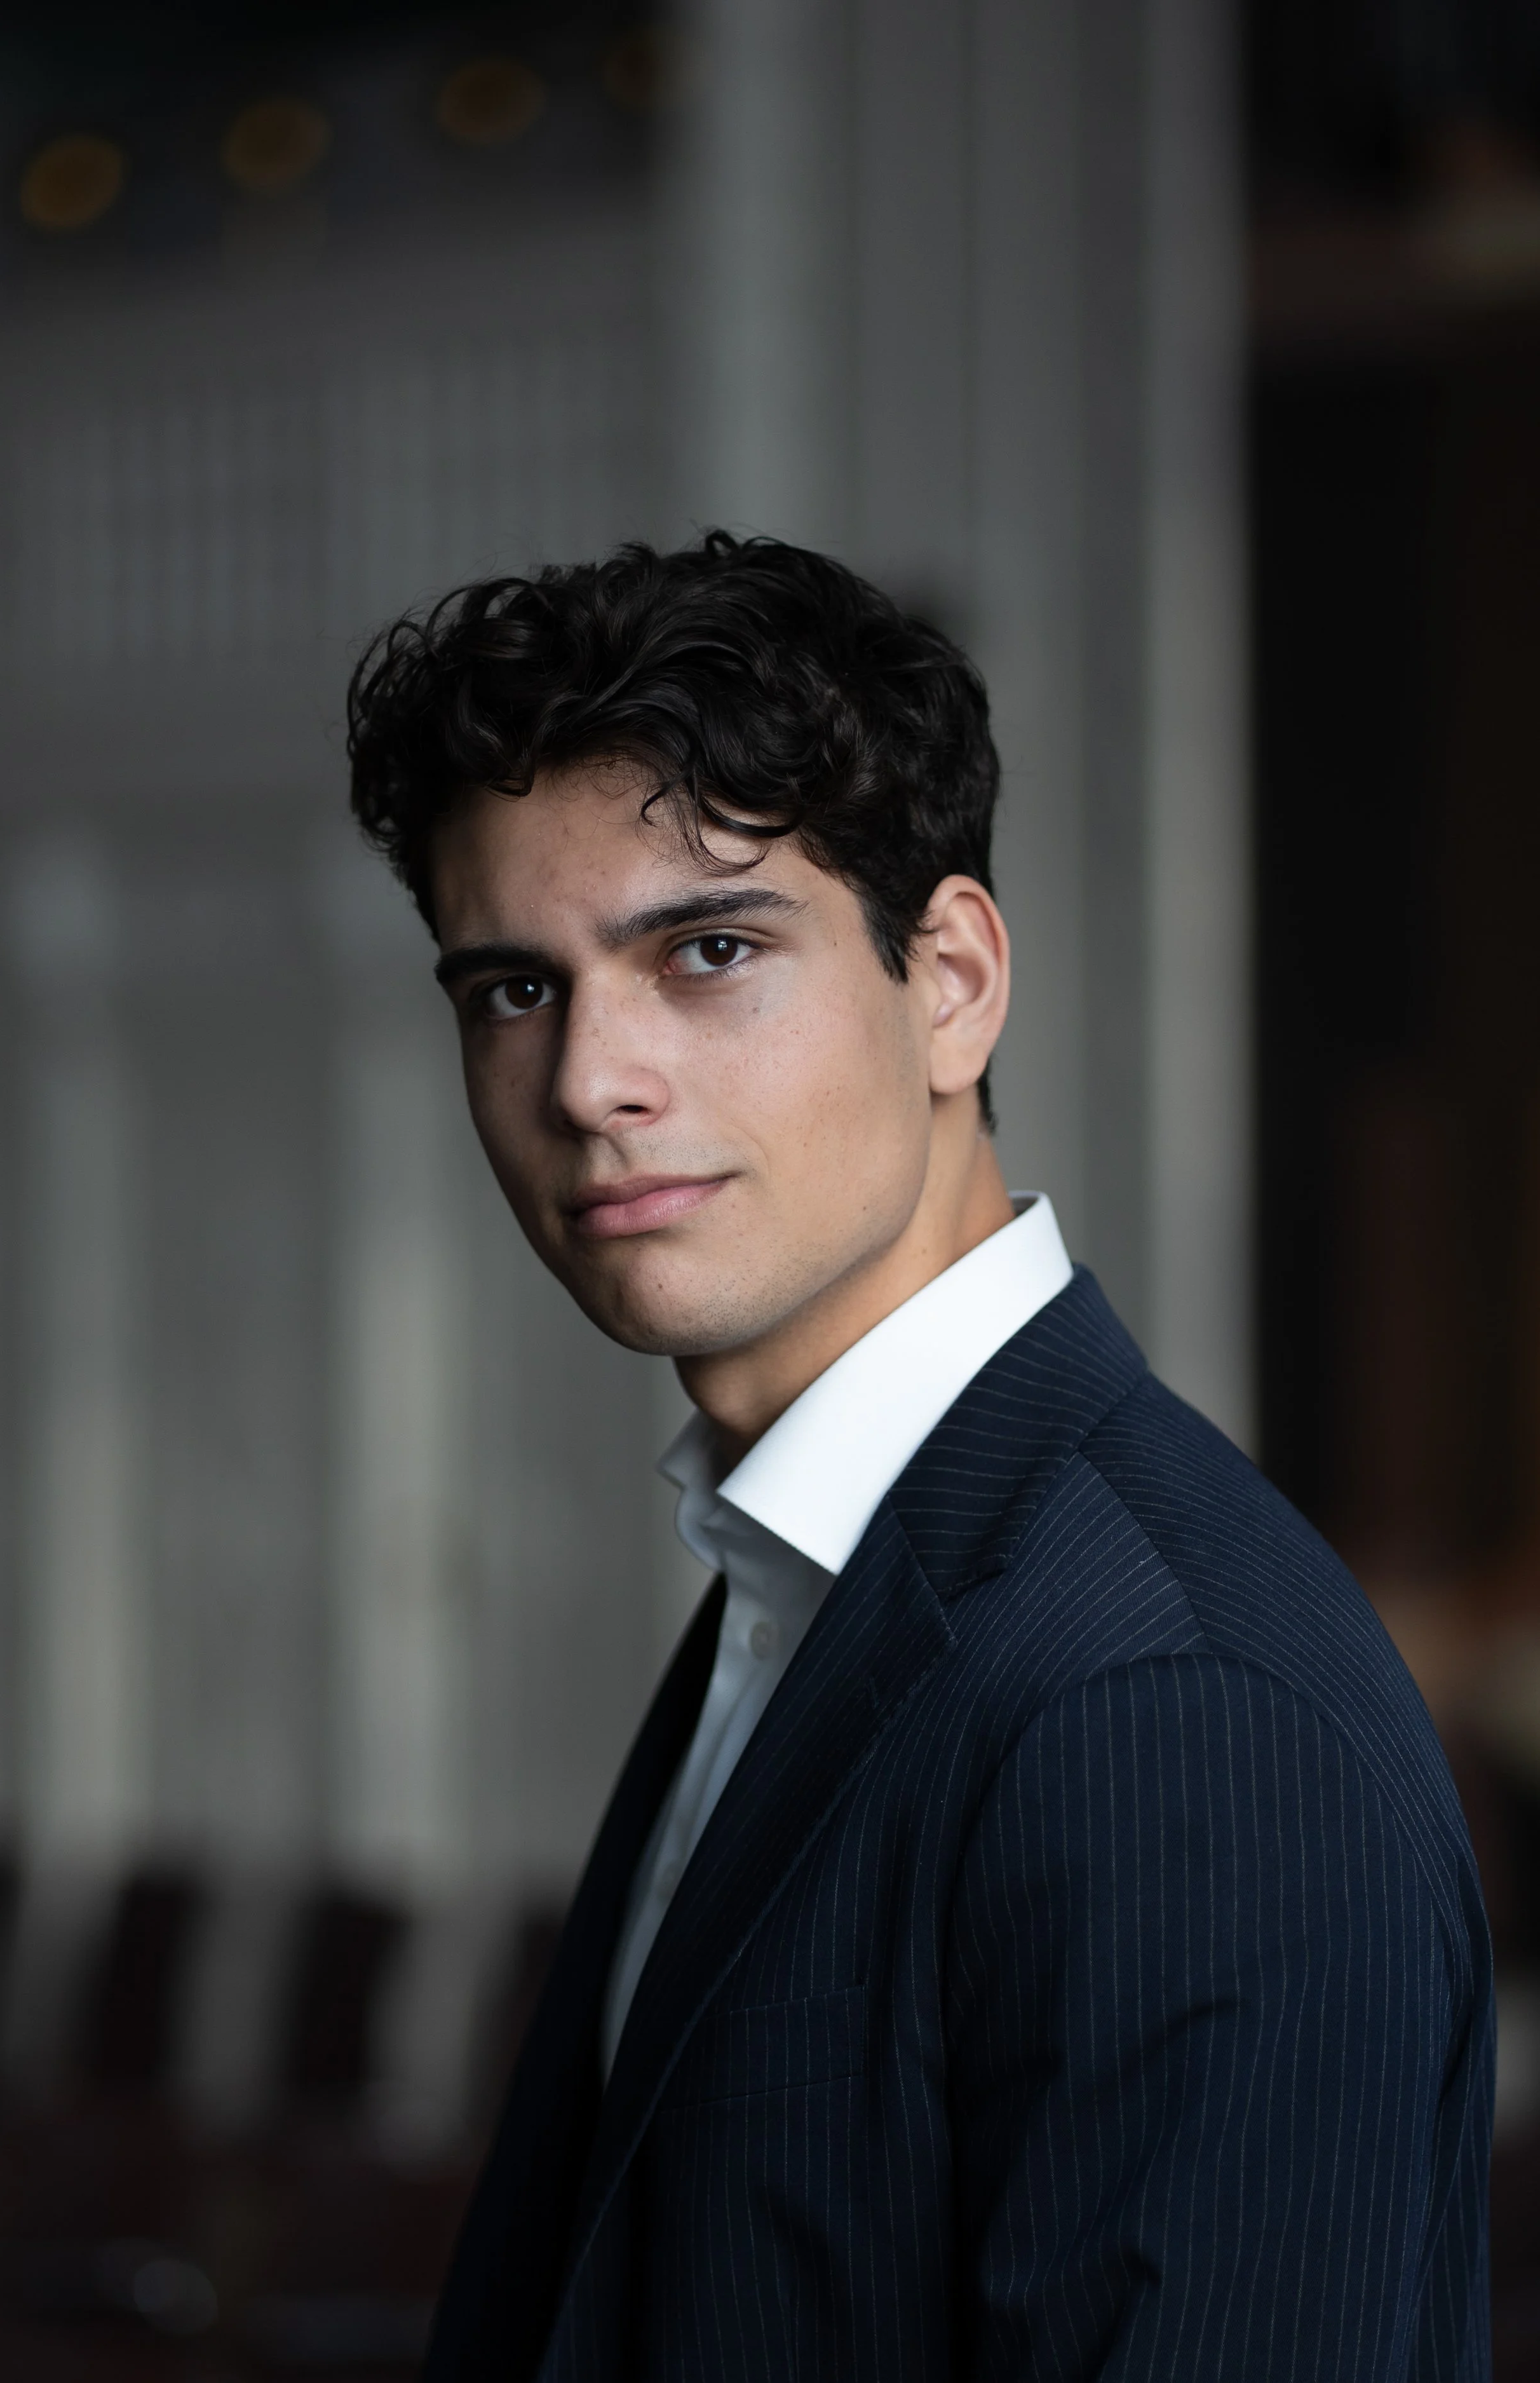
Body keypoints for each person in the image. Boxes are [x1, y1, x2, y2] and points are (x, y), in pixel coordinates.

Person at [346, 533, 1491, 2382]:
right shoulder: (821, 1567)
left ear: (949, 980)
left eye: (708, 951)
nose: (587, 1082)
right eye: (513, 990)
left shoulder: (1172, 1705)